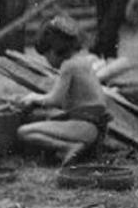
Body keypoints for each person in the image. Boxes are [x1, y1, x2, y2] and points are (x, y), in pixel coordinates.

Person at [17, 17, 110, 165]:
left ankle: (68, 147)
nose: (47, 60)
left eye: (46, 55)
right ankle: (75, 147)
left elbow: (55, 100)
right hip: (93, 127)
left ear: (54, 50)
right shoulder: (83, 61)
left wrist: (34, 97)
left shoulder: (68, 65)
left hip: (84, 127)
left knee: (23, 132)